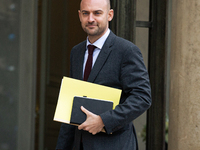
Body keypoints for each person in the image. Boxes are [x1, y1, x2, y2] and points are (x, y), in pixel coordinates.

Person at [56, 0, 151, 149]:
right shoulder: (76, 52)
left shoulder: (126, 51)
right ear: (80, 16)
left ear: (110, 15)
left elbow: (142, 97)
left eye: (97, 13)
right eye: (86, 13)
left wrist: (103, 121)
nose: (91, 19)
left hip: (113, 144)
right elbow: (71, 103)